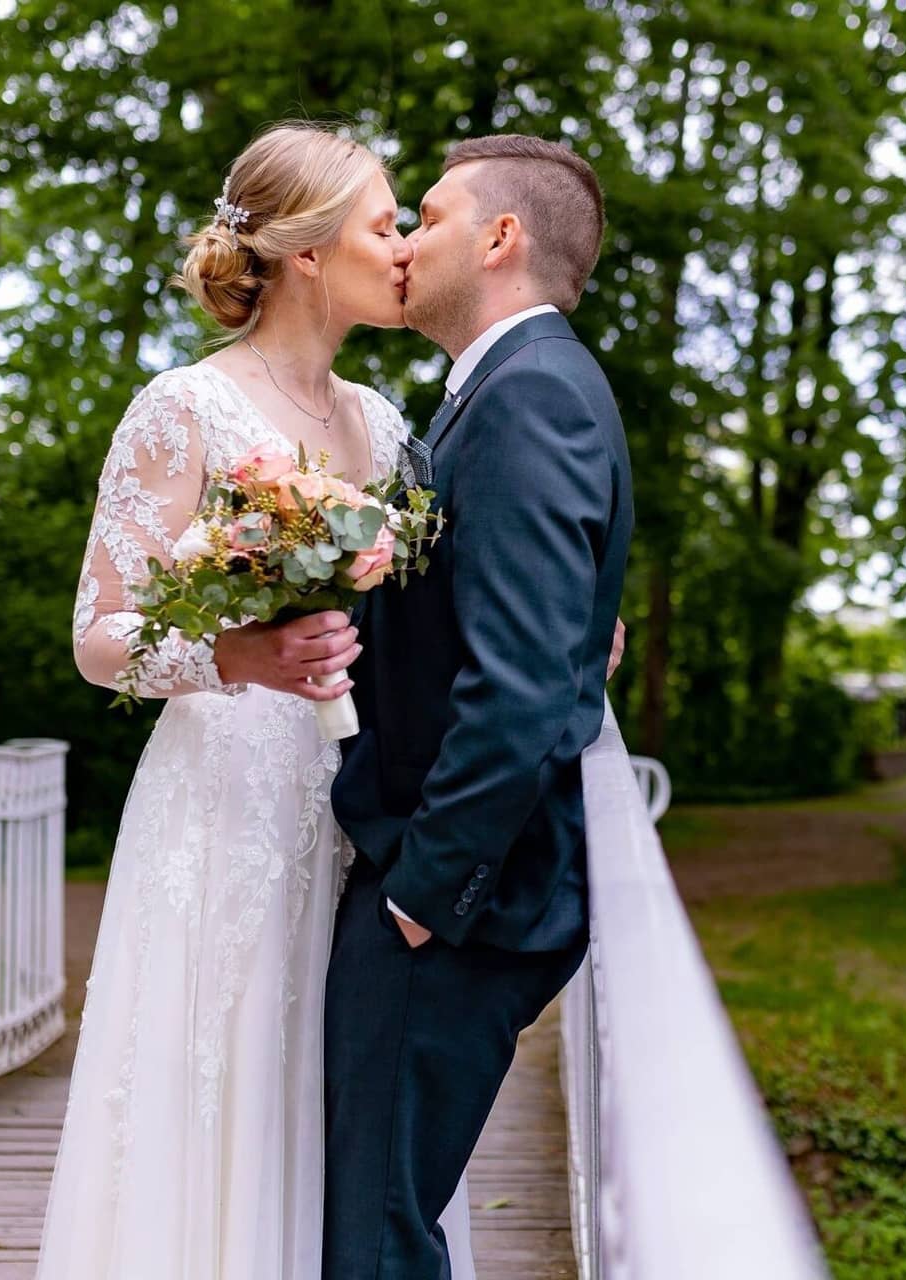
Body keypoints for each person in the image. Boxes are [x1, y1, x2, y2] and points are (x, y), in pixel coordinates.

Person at [39, 122, 481, 1280]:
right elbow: (97, 637)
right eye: (385, 225)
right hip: (224, 807)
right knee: (222, 1073)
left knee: (339, 1083)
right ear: (304, 252)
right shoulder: (181, 407)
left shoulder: (385, 423)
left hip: (354, 804)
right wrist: (242, 655)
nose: (402, 251)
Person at [324, 135, 634, 1280]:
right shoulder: (493, 394)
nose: (406, 244)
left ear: (501, 238)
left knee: (374, 1241)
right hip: (451, 897)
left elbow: (512, 686)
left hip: (459, 908)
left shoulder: (530, 395)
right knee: (375, 1222)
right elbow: (534, 630)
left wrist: (422, 894)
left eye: (431, 219)